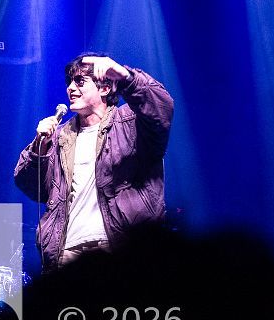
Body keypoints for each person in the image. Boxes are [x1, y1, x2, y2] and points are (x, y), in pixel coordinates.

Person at [14, 54, 173, 272]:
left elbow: (162, 107)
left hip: (121, 245)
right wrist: (39, 147)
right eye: (69, 82)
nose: (70, 88)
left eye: (80, 81)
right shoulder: (61, 137)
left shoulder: (130, 123)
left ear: (105, 88)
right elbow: (31, 186)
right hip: (67, 250)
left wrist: (125, 76)